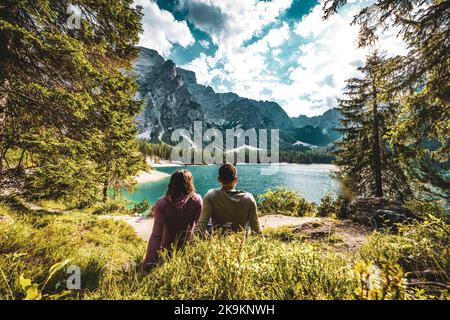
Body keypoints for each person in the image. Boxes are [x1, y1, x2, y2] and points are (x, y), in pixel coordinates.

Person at [143, 170, 202, 272]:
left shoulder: (161, 203)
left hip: (165, 252)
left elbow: (157, 235)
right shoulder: (197, 200)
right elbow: (200, 229)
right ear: (189, 184)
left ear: (171, 184)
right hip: (187, 251)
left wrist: (149, 261)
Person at [195, 163, 261, 234]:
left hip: (218, 243)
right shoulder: (248, 198)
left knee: (209, 224)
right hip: (240, 243)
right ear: (236, 180)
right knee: (247, 225)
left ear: (219, 179)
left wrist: (190, 242)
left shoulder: (211, 195)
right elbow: (256, 229)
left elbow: (201, 225)